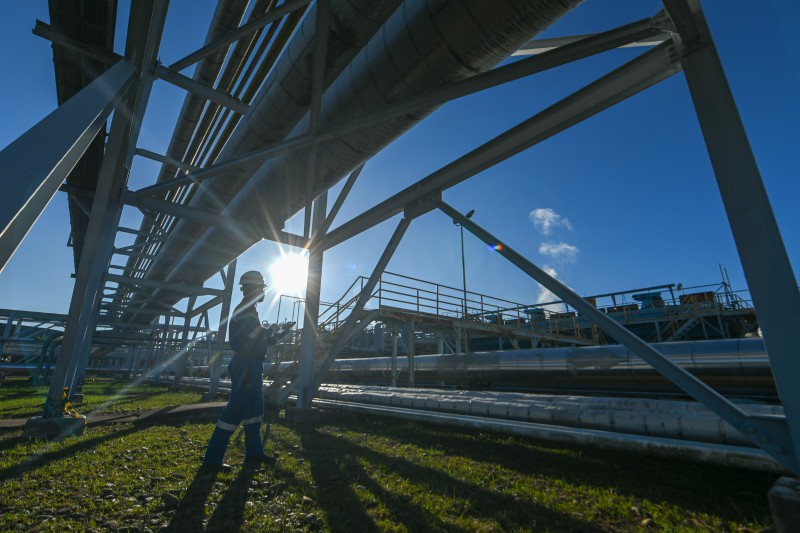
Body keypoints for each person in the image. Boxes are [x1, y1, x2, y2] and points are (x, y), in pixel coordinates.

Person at [202, 270, 283, 471]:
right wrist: (269, 331)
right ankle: (212, 460)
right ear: (253, 289)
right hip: (246, 364)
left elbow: (254, 337)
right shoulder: (245, 310)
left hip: (252, 364)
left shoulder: (249, 310)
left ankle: (254, 453)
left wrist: (274, 335)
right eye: (261, 288)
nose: (263, 291)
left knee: (255, 410)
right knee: (237, 407)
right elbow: (249, 339)